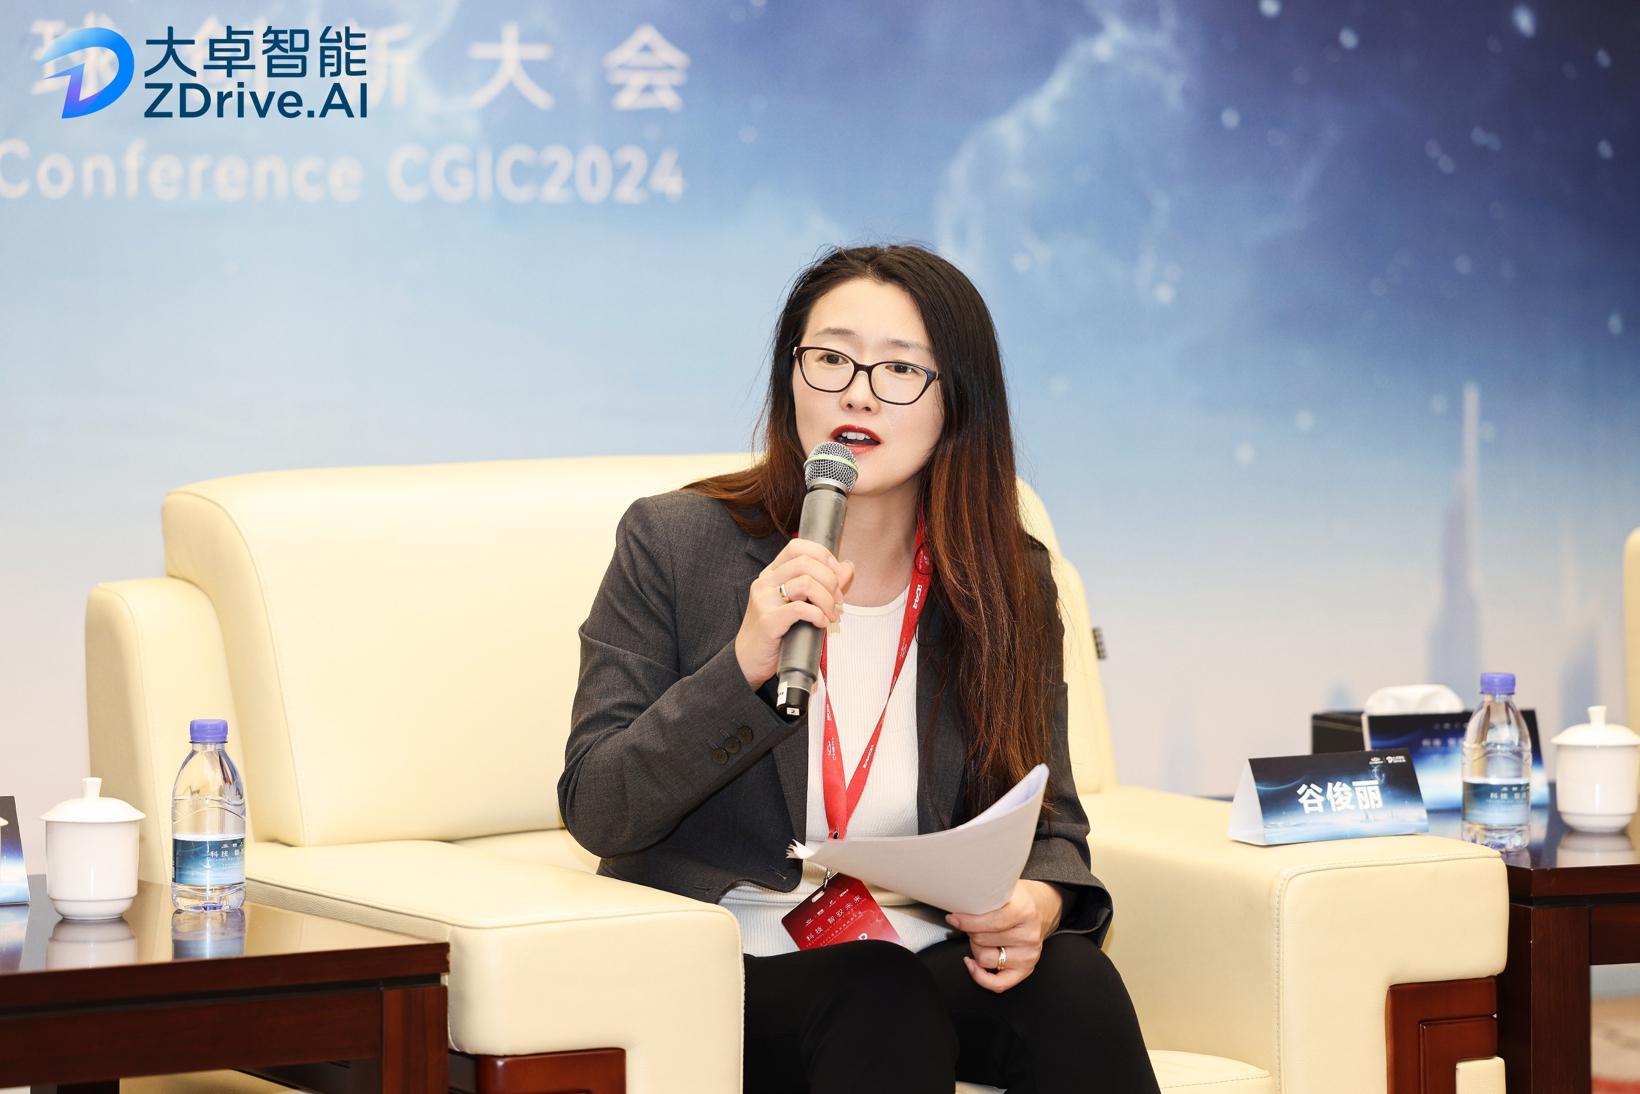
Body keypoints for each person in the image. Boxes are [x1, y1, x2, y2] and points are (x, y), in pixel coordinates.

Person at [559, 244, 1160, 1093]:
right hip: (729, 965)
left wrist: (1038, 904)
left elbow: (1051, 824)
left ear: (959, 403)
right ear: (790, 380)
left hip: (918, 952)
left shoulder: (1008, 582)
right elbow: (597, 808)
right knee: (875, 995)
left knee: (1072, 984)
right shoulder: (675, 545)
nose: (858, 394)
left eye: (901, 369)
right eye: (831, 359)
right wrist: (742, 667)